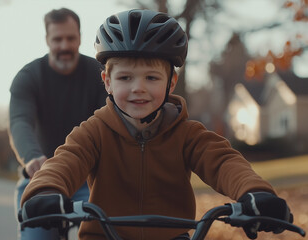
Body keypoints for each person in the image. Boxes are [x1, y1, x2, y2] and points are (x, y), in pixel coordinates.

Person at [20, 9, 293, 240]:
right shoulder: (94, 132)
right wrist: (46, 191)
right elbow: (66, 161)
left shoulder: (189, 135)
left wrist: (254, 193)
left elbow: (223, 162)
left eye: (151, 78)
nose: (139, 89)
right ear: (107, 82)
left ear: (171, 83)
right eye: (125, 78)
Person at [8, 7, 107, 240]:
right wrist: (31, 156)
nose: (64, 46)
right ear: (47, 40)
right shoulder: (28, 77)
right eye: (57, 39)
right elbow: (20, 121)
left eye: (70, 38)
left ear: (80, 38)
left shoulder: (100, 74)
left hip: (91, 178)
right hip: (43, 176)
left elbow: (111, 121)